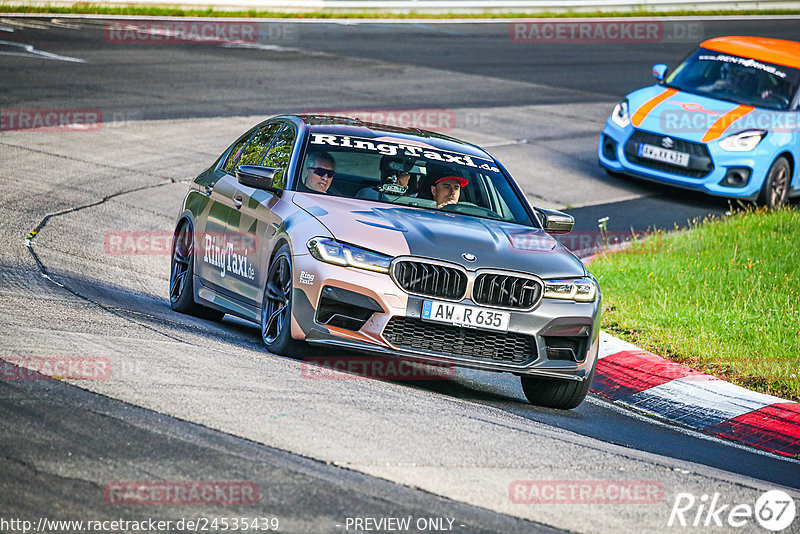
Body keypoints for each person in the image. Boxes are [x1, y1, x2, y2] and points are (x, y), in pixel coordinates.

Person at [357, 156, 423, 200]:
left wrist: (403, 188)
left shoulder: (417, 199)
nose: (390, 175)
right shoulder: (368, 193)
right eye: (387, 171)